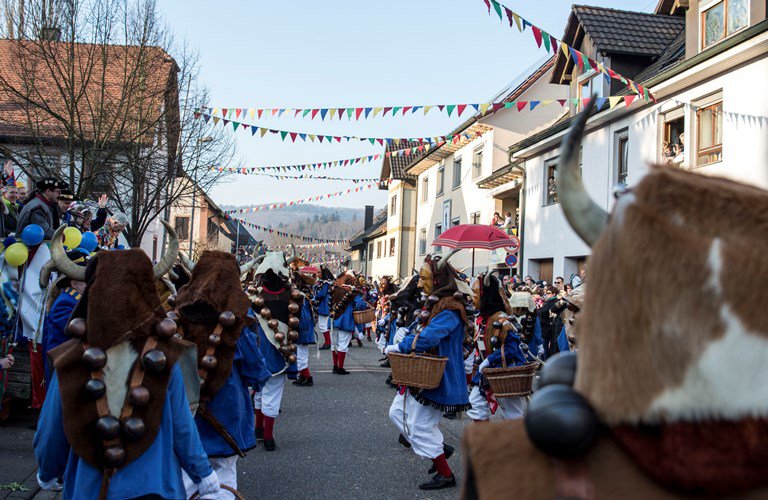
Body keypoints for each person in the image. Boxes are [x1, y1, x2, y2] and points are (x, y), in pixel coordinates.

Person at [35, 230, 221, 499]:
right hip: (155, 487)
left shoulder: (73, 359)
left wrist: (48, 470)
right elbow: (183, 427)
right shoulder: (164, 355)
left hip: (91, 490)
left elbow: (52, 431)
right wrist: (203, 474)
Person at [174, 250, 271, 498]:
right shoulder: (237, 317)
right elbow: (255, 371)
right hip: (226, 405)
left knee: (184, 474)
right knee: (223, 474)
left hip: (182, 406)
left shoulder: (177, 311)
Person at [385, 250, 473, 490]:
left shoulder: (451, 308)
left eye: (424, 278)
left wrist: (401, 345)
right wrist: (407, 332)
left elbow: (429, 337)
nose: (420, 283)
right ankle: (440, 449)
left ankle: (445, 473)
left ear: (438, 280)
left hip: (438, 377)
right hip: (421, 373)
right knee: (396, 412)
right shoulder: (436, 303)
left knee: (421, 427)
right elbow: (421, 330)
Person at [41, 248, 89, 388]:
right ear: (74, 284)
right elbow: (76, 329)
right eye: (86, 281)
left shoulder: (74, 300)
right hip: (62, 365)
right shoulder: (66, 302)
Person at [328, 271, 368, 375]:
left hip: (333, 320)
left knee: (334, 344)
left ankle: (335, 366)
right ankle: (340, 368)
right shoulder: (353, 292)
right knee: (343, 345)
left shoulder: (334, 289)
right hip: (345, 320)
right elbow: (360, 304)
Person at [313, 266, 334, 350]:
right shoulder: (323, 282)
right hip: (323, 305)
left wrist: (315, 296)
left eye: (319, 272)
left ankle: (328, 343)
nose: (317, 274)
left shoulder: (325, 283)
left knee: (323, 325)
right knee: (323, 325)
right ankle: (328, 342)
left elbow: (322, 294)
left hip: (324, 306)